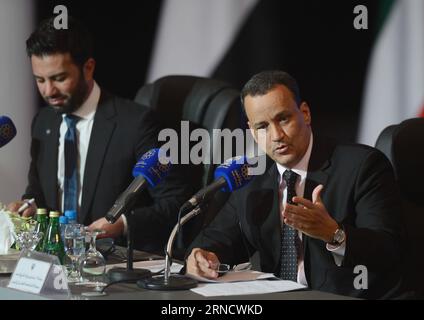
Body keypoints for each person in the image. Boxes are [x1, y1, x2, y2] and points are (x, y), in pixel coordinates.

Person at [186, 70, 403, 299]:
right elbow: (216, 238)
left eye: (283, 119)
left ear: (305, 113)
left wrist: (334, 234)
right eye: (263, 127)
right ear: (252, 131)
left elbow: (390, 250)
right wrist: (202, 256)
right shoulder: (251, 176)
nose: (276, 135)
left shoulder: (361, 166)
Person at [8, 17, 192, 253]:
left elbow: (176, 203)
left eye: (59, 78)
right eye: (40, 80)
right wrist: (29, 205)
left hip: (115, 263)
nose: (48, 91)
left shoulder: (136, 123)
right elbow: (38, 192)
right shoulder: (43, 122)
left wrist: (122, 224)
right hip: (56, 262)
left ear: (88, 68)